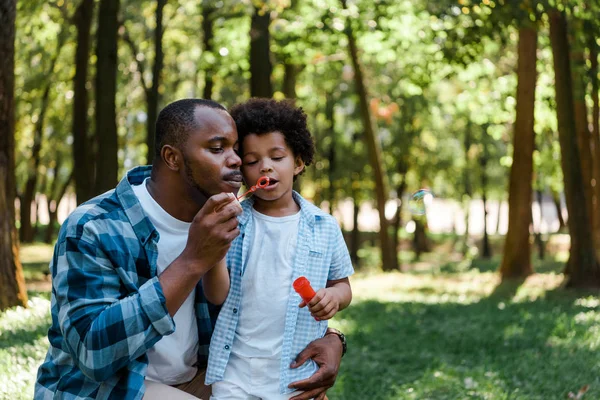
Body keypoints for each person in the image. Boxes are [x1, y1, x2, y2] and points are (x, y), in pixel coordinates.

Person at [35, 99, 345, 400]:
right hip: (111, 388)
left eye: (236, 149)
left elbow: (263, 300)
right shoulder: (95, 226)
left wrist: (333, 340)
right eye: (217, 148)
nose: (237, 160)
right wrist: (193, 260)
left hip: (198, 380)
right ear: (172, 157)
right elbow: (93, 354)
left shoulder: (231, 221)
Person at [205, 98, 353, 399]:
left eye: (277, 156)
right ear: (242, 170)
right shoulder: (233, 223)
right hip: (234, 371)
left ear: (298, 162)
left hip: (294, 370)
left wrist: (333, 297)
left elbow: (343, 285)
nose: (265, 166)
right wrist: (216, 249)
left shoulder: (323, 226)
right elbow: (216, 295)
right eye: (252, 160)